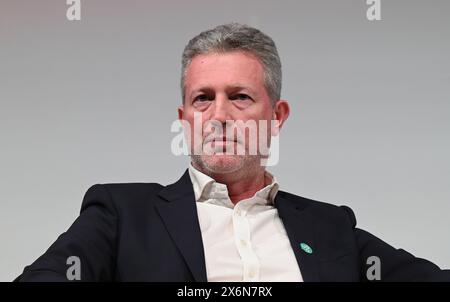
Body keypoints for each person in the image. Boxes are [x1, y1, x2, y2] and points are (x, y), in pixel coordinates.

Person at [16, 23, 450, 282]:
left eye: (240, 97)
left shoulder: (330, 226)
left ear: (277, 115)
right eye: (203, 98)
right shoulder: (123, 214)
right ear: (184, 117)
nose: (218, 115)